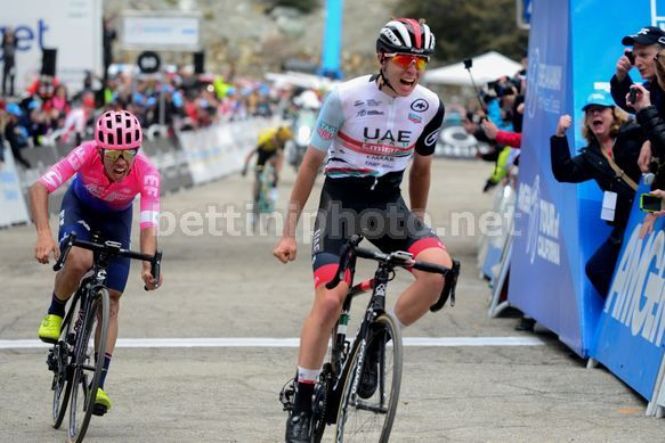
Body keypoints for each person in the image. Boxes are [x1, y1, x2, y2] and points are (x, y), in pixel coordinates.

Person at [273, 18, 453, 442]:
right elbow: (310, 166)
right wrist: (287, 231)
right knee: (332, 298)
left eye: (421, 62)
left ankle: (375, 343)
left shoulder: (429, 105)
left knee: (438, 271)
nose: (413, 70)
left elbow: (422, 169)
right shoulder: (345, 98)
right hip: (341, 203)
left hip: (388, 203)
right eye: (405, 60)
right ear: (383, 58)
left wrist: (420, 222)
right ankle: (302, 400)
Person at [31, 109, 162, 416]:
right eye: (115, 153)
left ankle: (98, 383)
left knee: (113, 301)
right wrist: (43, 234)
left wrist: (147, 266)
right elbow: (40, 187)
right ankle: (55, 312)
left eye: (129, 153)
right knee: (80, 260)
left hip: (117, 219)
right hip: (81, 209)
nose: (121, 161)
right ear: (101, 150)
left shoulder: (148, 172)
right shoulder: (85, 153)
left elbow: (148, 224)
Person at [550, 90, 644, 297]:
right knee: (596, 270)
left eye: (600, 110)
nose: (595, 116)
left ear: (614, 113)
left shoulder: (635, 133)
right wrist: (559, 136)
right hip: (624, 224)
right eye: (590, 112)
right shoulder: (591, 155)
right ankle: (618, 317)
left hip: (651, 209)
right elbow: (563, 172)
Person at [611, 26, 665, 115]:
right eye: (634, 57)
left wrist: (646, 109)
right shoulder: (652, 87)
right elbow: (630, 104)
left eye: (643, 55)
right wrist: (621, 76)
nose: (637, 63)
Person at [241, 125, 292, 206]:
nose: (280, 142)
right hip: (263, 152)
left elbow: (281, 158)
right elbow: (250, 154)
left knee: (276, 161)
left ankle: (273, 189)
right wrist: (245, 167)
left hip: (273, 153)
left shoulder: (282, 142)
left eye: (282, 141)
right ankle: (256, 197)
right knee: (258, 174)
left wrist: (277, 172)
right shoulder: (264, 140)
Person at [1, 27, 17, 97]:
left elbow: (16, 39)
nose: (9, 39)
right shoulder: (4, 44)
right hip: (6, 62)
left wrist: (12, 33)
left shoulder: (14, 44)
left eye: (10, 37)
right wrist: (6, 34)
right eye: (8, 37)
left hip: (12, 63)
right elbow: (3, 41)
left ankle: (12, 92)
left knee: (12, 78)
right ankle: (4, 91)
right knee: (4, 77)